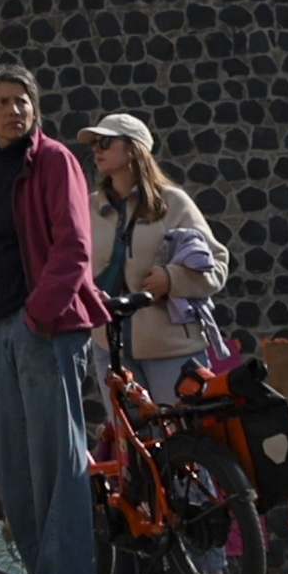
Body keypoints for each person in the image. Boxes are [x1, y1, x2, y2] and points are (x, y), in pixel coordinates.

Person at [0, 69, 117, 574]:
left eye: (23, 100)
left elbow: (74, 248)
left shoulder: (54, 159)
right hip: (7, 328)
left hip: (47, 325)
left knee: (57, 463)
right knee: (15, 469)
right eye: (4, 102)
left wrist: (38, 313)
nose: (16, 110)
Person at [84, 113, 225, 379]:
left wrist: (172, 279)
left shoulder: (174, 202)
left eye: (105, 142)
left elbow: (217, 264)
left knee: (176, 423)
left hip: (172, 351)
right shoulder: (89, 206)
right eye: (94, 142)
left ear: (133, 149)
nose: (95, 149)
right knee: (125, 423)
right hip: (109, 348)